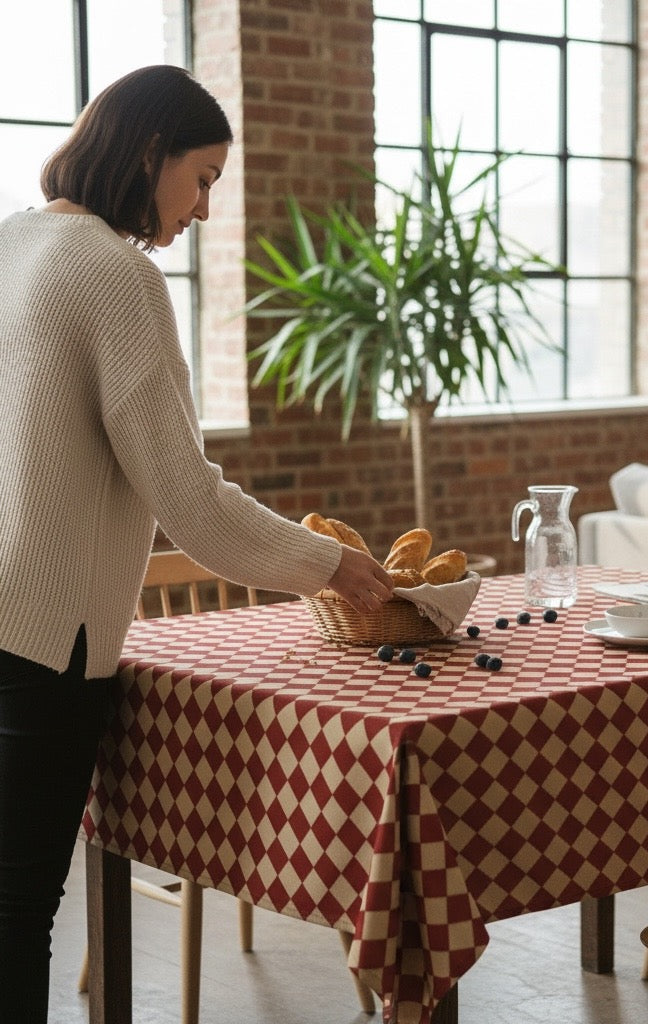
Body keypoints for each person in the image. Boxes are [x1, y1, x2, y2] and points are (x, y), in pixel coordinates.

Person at [0, 65, 393, 1023]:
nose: (207, 208)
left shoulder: (13, 245)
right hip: (47, 650)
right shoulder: (116, 274)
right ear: (149, 155)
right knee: (14, 919)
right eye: (205, 177)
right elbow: (190, 501)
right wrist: (334, 563)